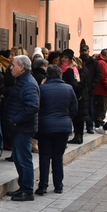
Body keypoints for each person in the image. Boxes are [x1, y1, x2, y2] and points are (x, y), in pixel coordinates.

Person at [35, 65, 78, 196]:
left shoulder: (41, 89)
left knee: (44, 156)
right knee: (58, 156)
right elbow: (74, 108)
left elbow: (36, 107)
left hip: (45, 126)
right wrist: (67, 118)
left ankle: (43, 186)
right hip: (63, 126)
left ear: (47, 76)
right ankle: (58, 185)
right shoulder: (69, 88)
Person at [3, 55, 39, 201]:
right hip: (18, 128)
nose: (10, 67)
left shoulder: (28, 83)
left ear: (22, 67)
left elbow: (32, 107)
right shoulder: (21, 81)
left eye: (13, 65)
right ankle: (23, 187)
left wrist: (15, 121)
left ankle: (27, 190)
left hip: (23, 128)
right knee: (19, 159)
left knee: (24, 159)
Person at [79, 44, 101, 134]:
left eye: (85, 51)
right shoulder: (78, 61)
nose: (84, 52)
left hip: (90, 90)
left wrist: (92, 86)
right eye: (82, 51)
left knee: (90, 109)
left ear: (88, 51)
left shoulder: (94, 62)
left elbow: (98, 75)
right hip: (80, 89)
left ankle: (90, 126)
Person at [92, 49, 107, 128]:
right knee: (102, 106)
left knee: (102, 106)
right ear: (106, 54)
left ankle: (99, 120)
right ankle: (99, 121)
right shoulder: (102, 63)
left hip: (101, 89)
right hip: (102, 90)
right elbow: (104, 77)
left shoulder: (102, 62)